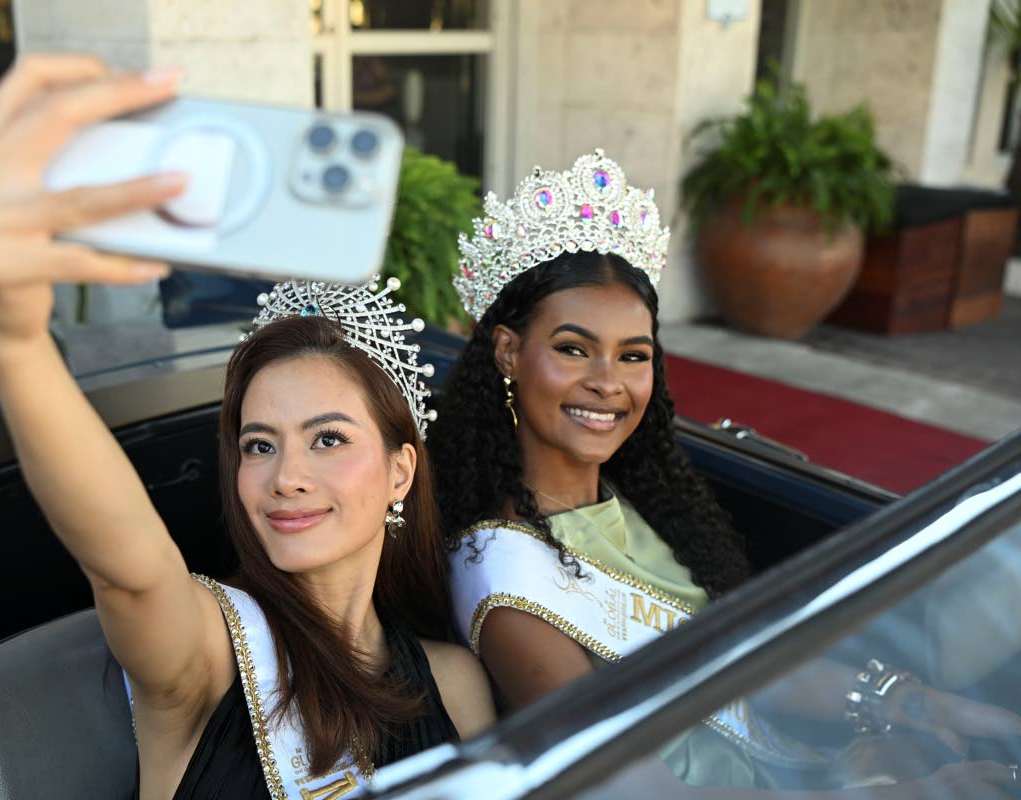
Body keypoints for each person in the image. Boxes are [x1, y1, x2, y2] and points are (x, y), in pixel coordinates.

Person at [0, 54, 493, 799]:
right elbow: (128, 571)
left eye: (328, 439)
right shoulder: (207, 654)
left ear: (401, 470)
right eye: (258, 445)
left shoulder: (455, 683)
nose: (285, 477)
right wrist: (12, 345)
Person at [427, 150, 1020, 796]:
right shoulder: (502, 576)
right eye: (573, 349)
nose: (607, 382)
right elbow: (639, 790)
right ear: (509, 353)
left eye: (633, 356)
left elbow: (733, 665)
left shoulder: (636, 500)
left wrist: (906, 702)